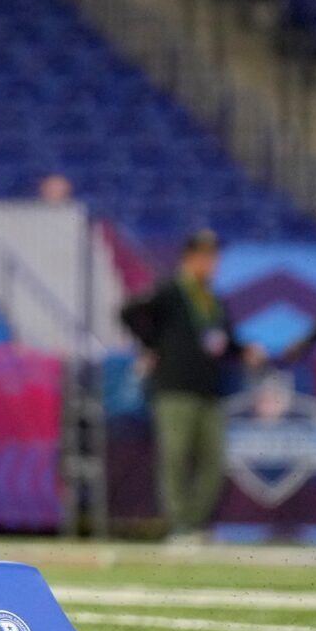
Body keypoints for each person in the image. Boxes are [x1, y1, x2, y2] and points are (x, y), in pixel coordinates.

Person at [122, 230, 265, 540]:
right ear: (191, 259)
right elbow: (130, 312)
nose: (213, 264)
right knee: (174, 456)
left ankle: (197, 523)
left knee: (214, 459)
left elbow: (221, 341)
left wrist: (243, 352)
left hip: (210, 389)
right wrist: (152, 344)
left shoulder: (213, 298)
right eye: (208, 258)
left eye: (215, 257)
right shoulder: (171, 291)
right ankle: (180, 524)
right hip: (175, 388)